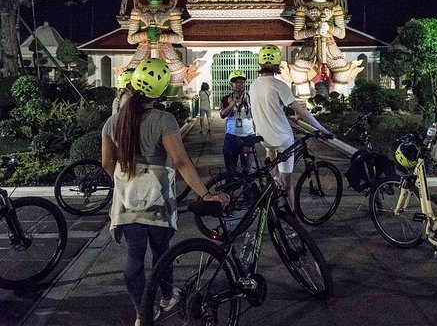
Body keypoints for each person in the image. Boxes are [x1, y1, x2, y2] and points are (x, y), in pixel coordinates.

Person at [101, 58, 229, 326]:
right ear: (161, 90)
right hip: (157, 196)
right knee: (162, 252)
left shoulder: (113, 122)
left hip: (127, 201)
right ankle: (167, 296)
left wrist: (126, 182)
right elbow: (181, 162)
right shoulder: (164, 120)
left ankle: (141, 313)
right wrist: (205, 194)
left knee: (134, 256)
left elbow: (107, 163)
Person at [249, 45, 332, 211]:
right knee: (287, 182)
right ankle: (292, 216)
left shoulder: (253, 85)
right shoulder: (279, 85)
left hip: (264, 138)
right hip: (282, 139)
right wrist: (322, 129)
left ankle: (272, 194)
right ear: (277, 63)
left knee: (272, 168)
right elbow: (301, 112)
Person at [219, 70, 254, 177]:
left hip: (248, 138)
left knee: (247, 171)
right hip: (231, 138)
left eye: (241, 82)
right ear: (231, 84)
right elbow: (222, 114)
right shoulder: (226, 99)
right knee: (230, 170)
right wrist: (232, 103)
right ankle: (230, 192)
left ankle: (248, 193)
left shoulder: (250, 98)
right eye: (236, 82)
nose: (239, 84)